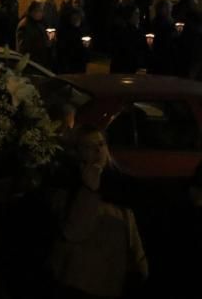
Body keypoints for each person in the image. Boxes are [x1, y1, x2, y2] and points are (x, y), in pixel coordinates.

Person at [48, 126, 148, 298]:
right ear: (77, 152)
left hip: (113, 277)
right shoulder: (66, 185)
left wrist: (140, 264)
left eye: (101, 144)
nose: (98, 149)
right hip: (81, 282)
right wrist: (89, 190)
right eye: (89, 146)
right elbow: (74, 231)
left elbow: (130, 228)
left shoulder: (119, 183)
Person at [16, 1, 52, 67]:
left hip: (41, 60)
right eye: (39, 11)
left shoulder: (41, 22)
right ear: (32, 11)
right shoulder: (25, 25)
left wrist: (50, 39)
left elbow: (48, 32)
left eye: (42, 11)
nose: (42, 13)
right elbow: (23, 48)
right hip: (31, 62)